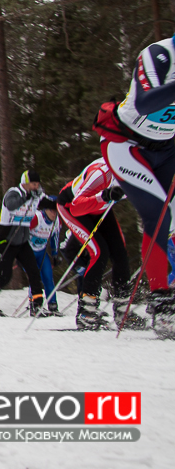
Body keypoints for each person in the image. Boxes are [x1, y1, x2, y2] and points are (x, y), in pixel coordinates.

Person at [93, 45, 175, 338]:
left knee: (171, 222)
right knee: (158, 217)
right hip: (127, 145)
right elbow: (144, 103)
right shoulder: (159, 54)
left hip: (167, 148)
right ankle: (162, 303)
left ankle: (164, 296)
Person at [57, 158, 133, 329]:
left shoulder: (140, 174)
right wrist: (104, 196)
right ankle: (87, 311)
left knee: (120, 252)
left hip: (99, 207)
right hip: (72, 205)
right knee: (99, 252)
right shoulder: (101, 173)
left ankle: (123, 310)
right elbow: (77, 206)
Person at [0, 170, 47, 317]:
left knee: (34, 271)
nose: (36, 187)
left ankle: (36, 306)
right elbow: (11, 205)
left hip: (22, 240)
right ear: (25, 183)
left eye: (38, 184)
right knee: (5, 275)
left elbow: (49, 203)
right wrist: (27, 196)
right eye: (33, 184)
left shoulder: (36, 195)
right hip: (6, 239)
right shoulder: (13, 193)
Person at [29, 197, 61, 316]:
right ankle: (34, 305)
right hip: (30, 252)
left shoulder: (57, 221)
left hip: (42, 252)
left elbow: (54, 238)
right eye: (51, 210)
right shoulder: (37, 217)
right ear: (45, 209)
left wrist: (55, 254)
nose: (54, 213)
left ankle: (53, 305)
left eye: (56, 210)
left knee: (48, 277)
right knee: (35, 278)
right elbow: (23, 231)